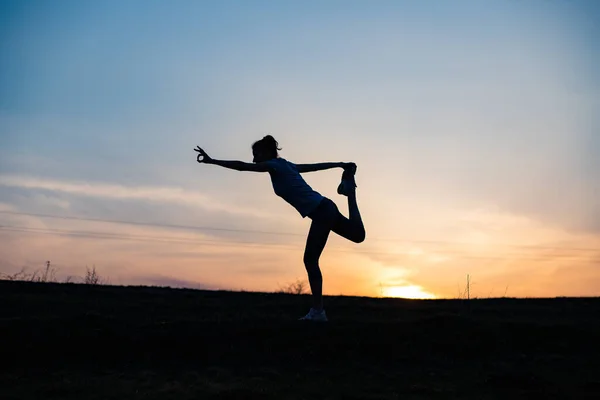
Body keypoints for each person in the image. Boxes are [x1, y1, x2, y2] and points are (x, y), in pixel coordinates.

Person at [194, 135, 365, 321]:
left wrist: (212, 161)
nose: (254, 159)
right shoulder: (286, 165)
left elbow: (243, 166)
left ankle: (318, 312)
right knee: (357, 236)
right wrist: (340, 164)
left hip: (322, 211)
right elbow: (314, 167)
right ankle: (350, 191)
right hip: (325, 208)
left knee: (310, 259)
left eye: (256, 154)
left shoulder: (274, 165)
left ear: (266, 153)